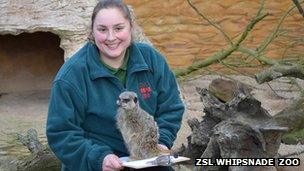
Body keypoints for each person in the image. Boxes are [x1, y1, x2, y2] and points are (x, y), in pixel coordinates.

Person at [46, 0, 185, 171]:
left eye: (119, 28)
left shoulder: (151, 59)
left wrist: (161, 142)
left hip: (148, 159)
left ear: (130, 27)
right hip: (96, 165)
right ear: (92, 31)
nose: (111, 37)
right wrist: (99, 158)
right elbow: (61, 133)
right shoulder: (71, 76)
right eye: (102, 29)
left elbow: (171, 107)